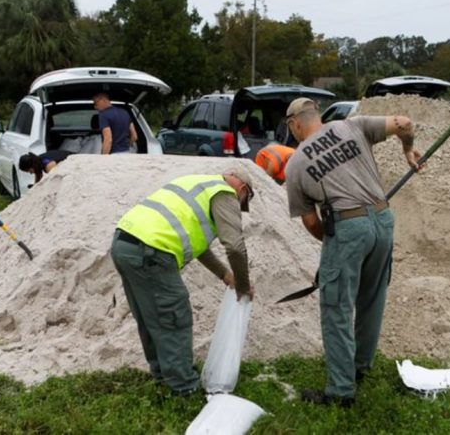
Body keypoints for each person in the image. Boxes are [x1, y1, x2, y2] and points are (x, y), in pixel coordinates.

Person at [283, 97, 422, 407]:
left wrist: (335, 243)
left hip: (347, 227)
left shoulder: (296, 163)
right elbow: (403, 123)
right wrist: (408, 151)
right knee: (372, 298)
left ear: (294, 124)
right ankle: (360, 367)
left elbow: (310, 221)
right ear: (317, 115)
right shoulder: (352, 125)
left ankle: (341, 391)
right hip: (383, 220)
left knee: (337, 308)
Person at [110, 166, 256, 396]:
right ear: (242, 189)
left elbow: (197, 245)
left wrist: (225, 275)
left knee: (150, 315)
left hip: (124, 243)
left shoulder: (196, 184)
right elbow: (235, 246)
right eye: (243, 200)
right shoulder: (225, 193)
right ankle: (184, 387)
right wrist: (244, 285)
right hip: (152, 251)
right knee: (173, 315)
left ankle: (162, 374)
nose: (239, 206)